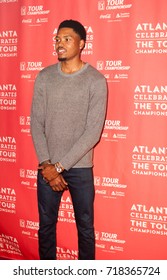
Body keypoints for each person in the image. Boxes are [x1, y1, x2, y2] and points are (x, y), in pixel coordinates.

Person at [30, 19, 107, 260]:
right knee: (45, 228)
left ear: (82, 44)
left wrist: (59, 168)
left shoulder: (96, 80)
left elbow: (93, 132)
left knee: (85, 230)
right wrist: (47, 164)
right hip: (47, 166)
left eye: (66, 39)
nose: (59, 44)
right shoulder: (44, 77)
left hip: (80, 169)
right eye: (57, 39)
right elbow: (36, 124)